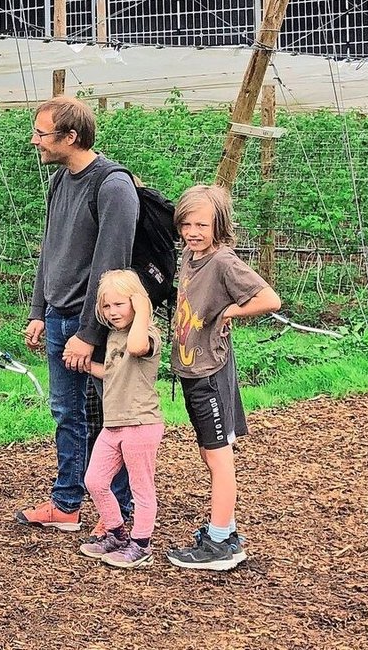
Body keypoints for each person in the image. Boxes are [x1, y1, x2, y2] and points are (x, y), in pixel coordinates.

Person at [18, 95, 137, 534]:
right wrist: (39, 311)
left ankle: (121, 513)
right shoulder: (60, 182)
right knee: (67, 413)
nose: (36, 142)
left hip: (97, 328)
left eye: (42, 134)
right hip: (58, 318)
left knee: (112, 417)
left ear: (71, 136)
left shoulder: (112, 186)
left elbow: (112, 268)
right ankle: (67, 503)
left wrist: (89, 333)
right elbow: (50, 250)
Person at [166, 184, 280, 571]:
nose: (193, 231)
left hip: (208, 373)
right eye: (186, 223)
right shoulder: (191, 254)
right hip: (192, 368)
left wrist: (229, 313)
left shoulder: (223, 262)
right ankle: (225, 532)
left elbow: (268, 299)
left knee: (219, 459)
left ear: (220, 225)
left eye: (202, 224)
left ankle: (220, 545)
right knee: (209, 452)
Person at [77, 270, 164, 569]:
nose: (113, 312)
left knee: (141, 488)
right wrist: (86, 365)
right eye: (107, 306)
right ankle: (115, 533)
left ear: (137, 304)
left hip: (140, 423)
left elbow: (137, 347)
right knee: (95, 480)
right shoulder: (114, 336)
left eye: (120, 304)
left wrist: (143, 309)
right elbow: (113, 372)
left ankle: (142, 545)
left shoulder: (148, 333)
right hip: (114, 424)